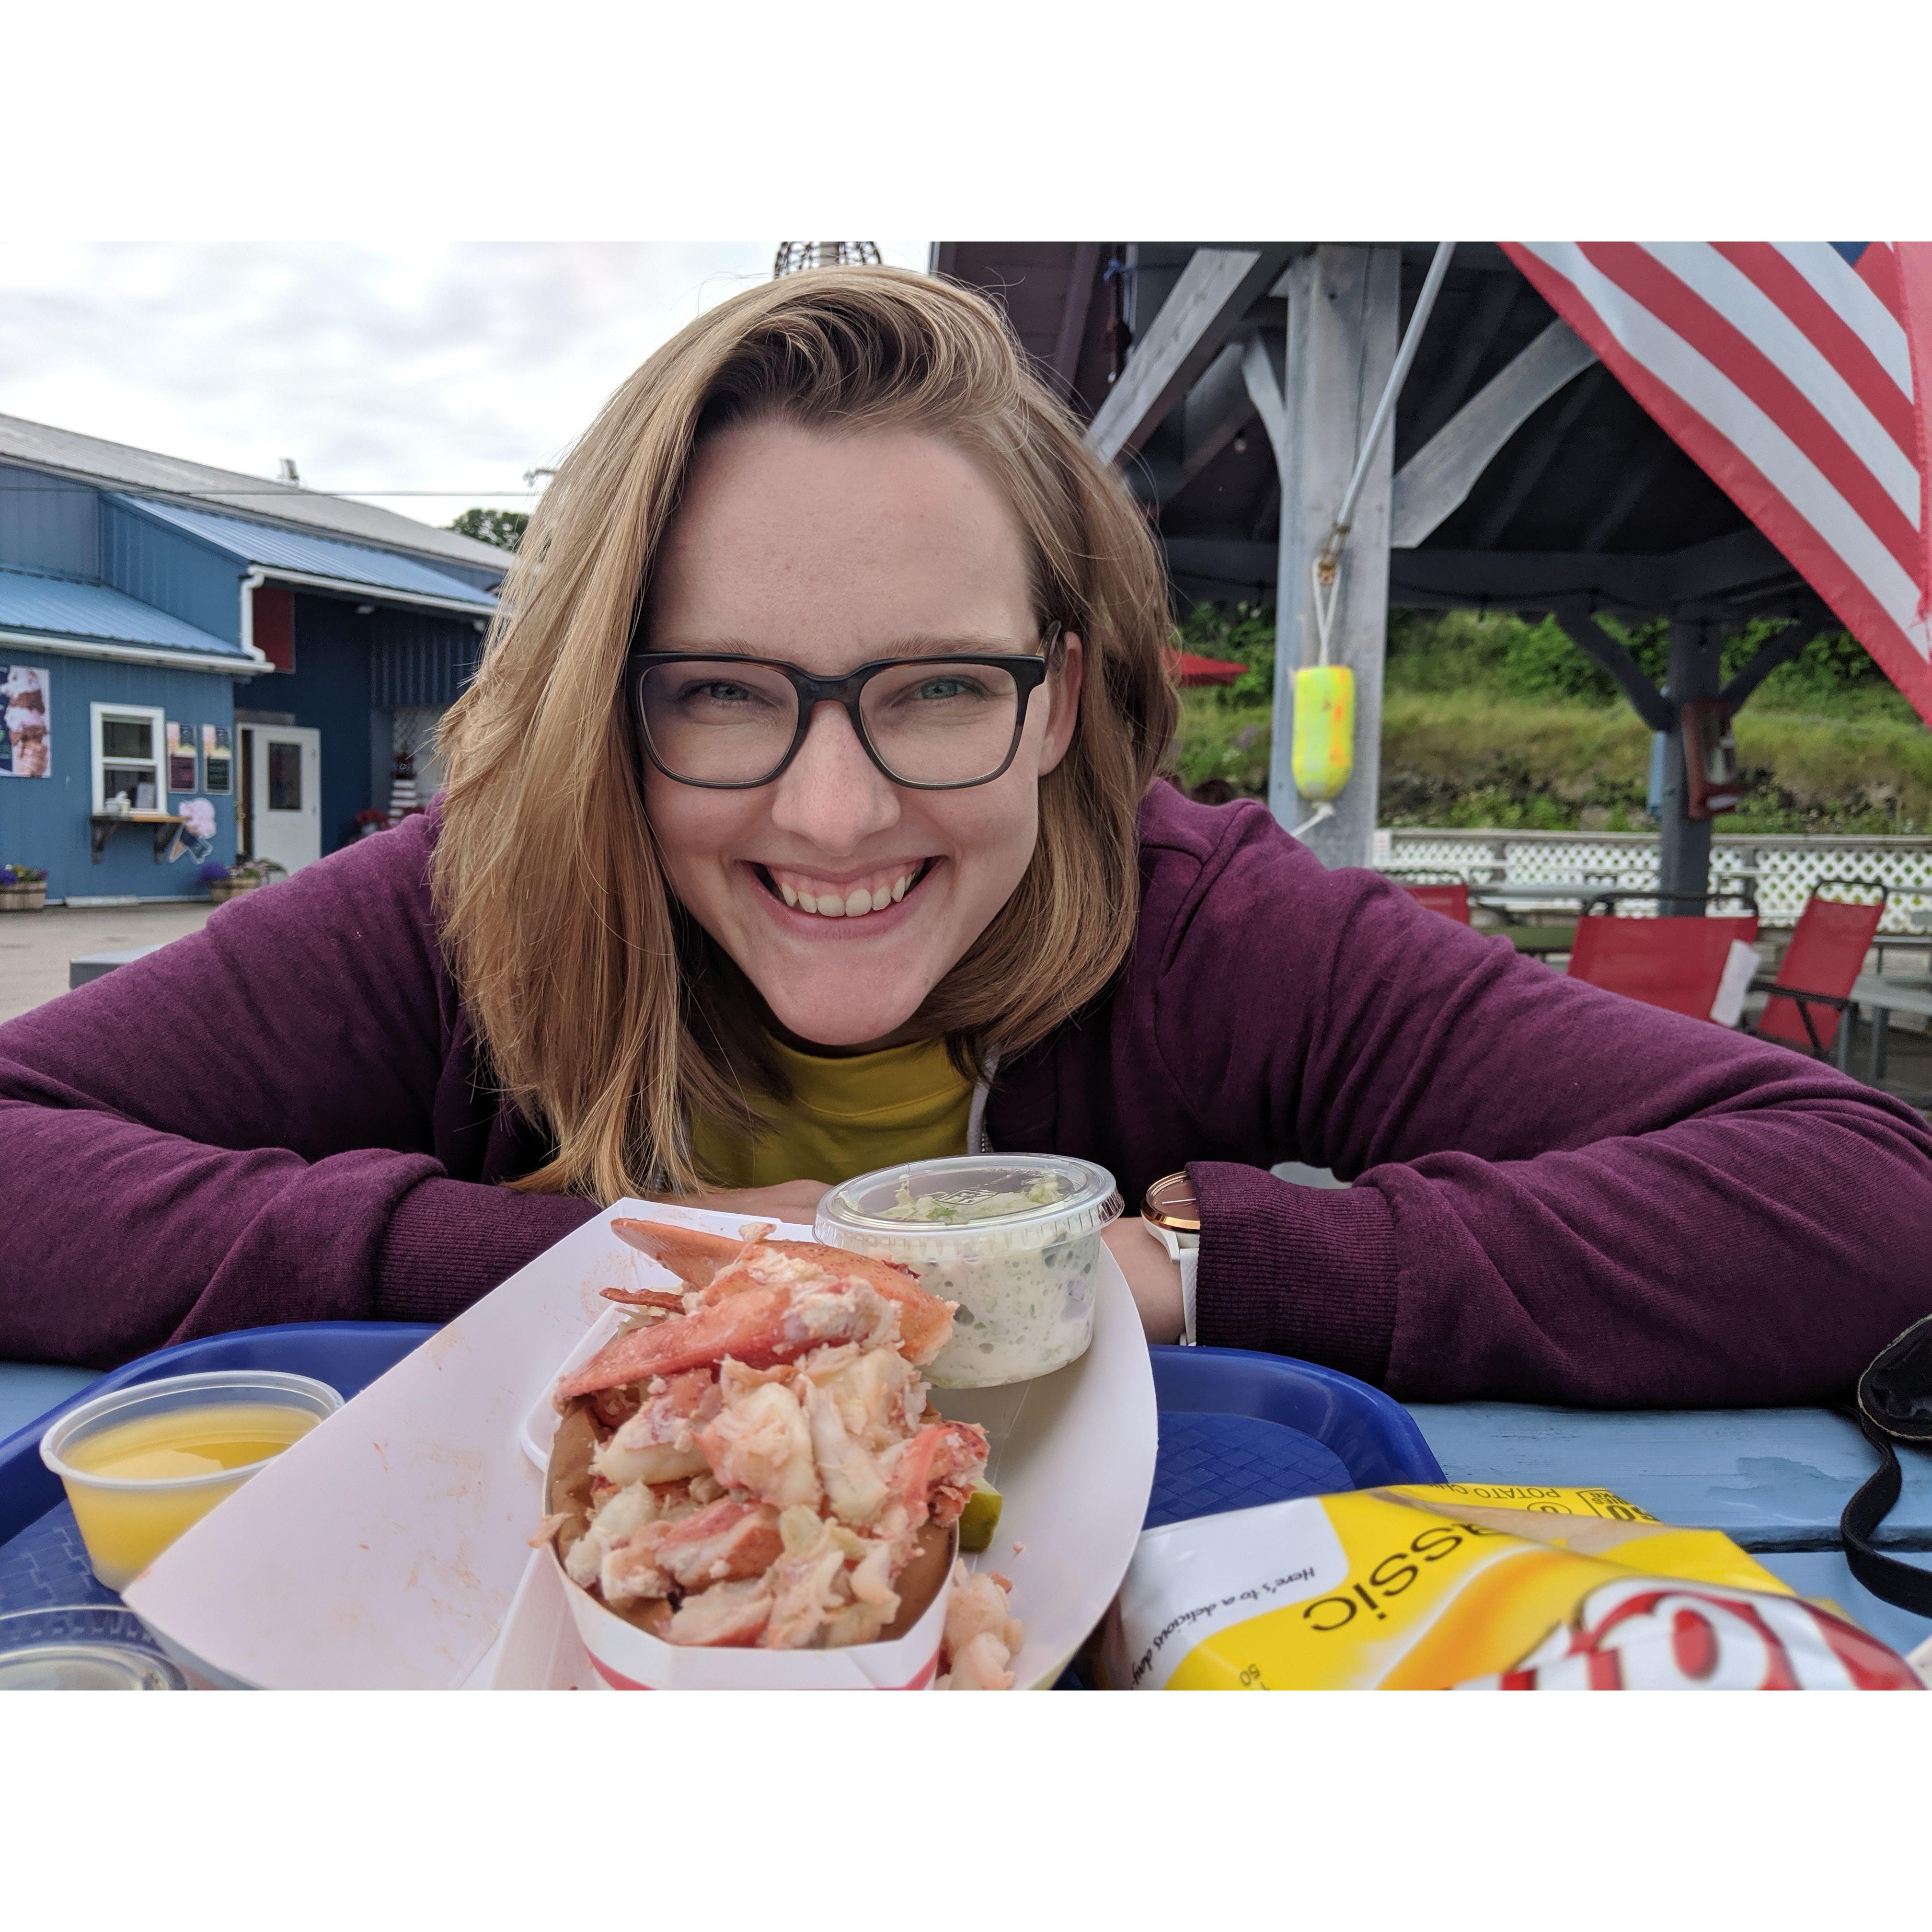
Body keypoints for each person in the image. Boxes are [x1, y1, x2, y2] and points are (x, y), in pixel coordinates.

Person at [2, 266, 1928, 1406]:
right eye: (720, 692)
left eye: (934, 688)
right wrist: (585, 1259)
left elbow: (1860, 1191)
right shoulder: (461, 914)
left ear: (1063, 698)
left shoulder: (1215, 928)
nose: (834, 812)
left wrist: (1143, 1273)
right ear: (611, 707)